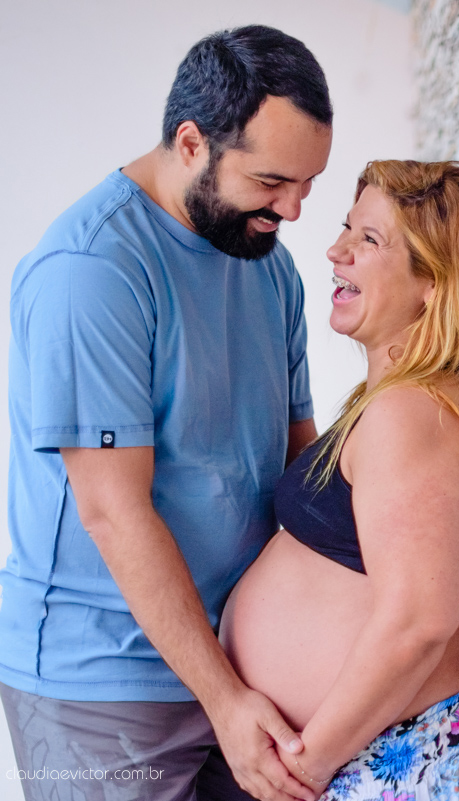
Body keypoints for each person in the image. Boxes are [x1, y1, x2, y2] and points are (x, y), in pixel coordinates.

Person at [0, 26, 333, 801]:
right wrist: (225, 697)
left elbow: (298, 465)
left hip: (243, 664)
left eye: (308, 184)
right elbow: (114, 511)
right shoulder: (93, 271)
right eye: (272, 180)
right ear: (191, 143)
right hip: (100, 686)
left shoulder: (271, 268)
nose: (291, 209)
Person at [219, 160, 459, 801]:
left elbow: (418, 623)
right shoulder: (397, 401)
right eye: (349, 229)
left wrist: (310, 764)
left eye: (368, 240)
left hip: (396, 761)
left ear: (432, 281)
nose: (335, 250)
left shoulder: (414, 415)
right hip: (372, 753)